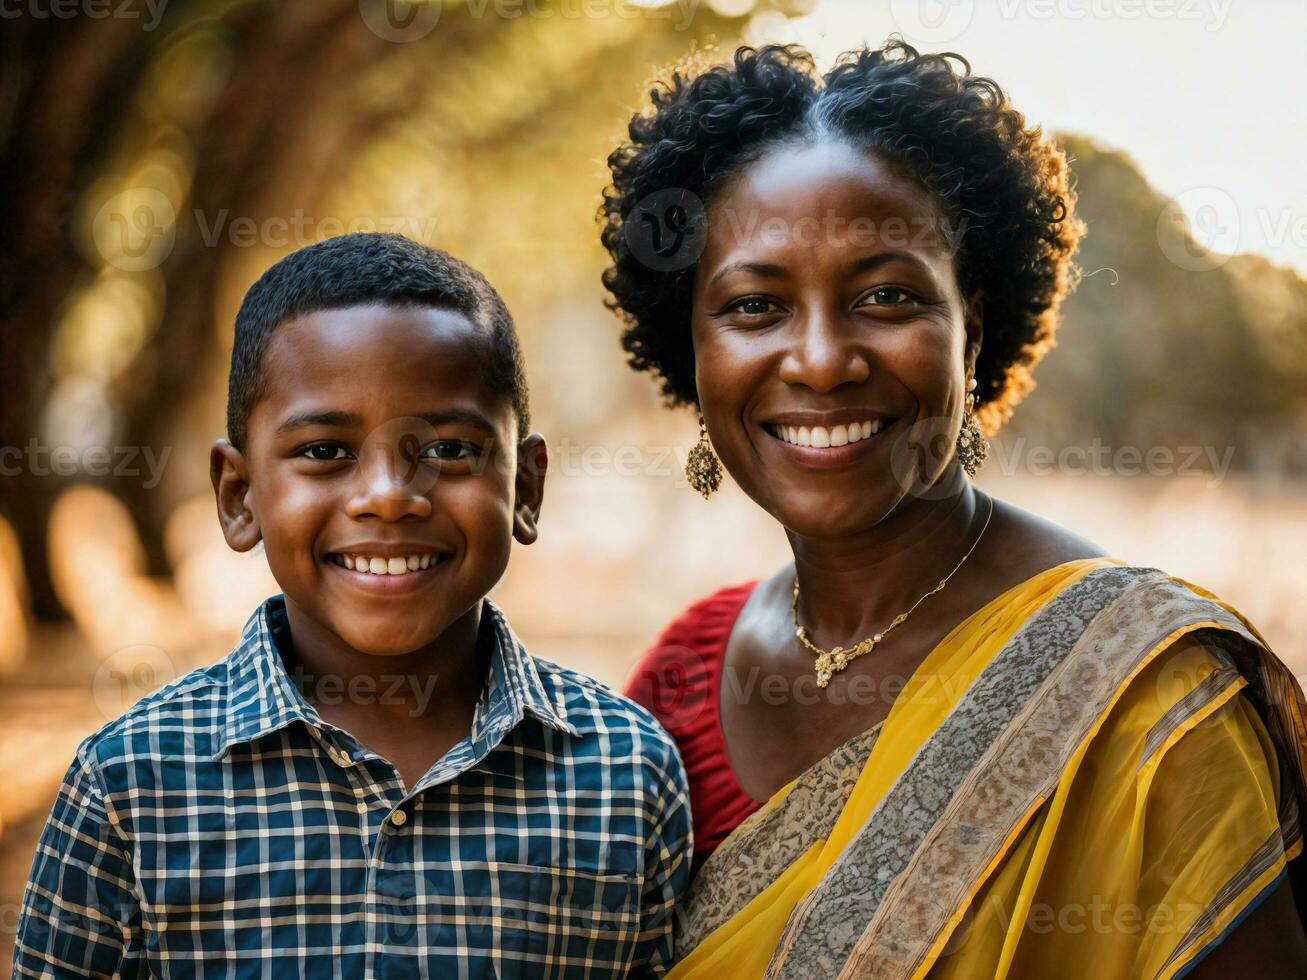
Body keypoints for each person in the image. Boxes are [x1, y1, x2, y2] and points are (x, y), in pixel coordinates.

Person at [603, 41, 1307, 978]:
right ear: (689, 349)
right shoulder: (681, 678)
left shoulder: (1139, 692)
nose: (819, 360)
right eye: (754, 307)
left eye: (886, 296)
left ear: (971, 328)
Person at [14, 232, 692, 978]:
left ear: (525, 487)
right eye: (325, 451)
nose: (387, 497)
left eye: (447, 450)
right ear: (239, 497)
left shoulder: (624, 773)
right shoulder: (131, 784)